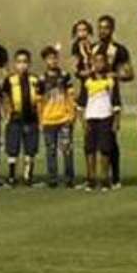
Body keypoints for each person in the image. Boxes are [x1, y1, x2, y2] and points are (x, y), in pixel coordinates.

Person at [96, 16, 134, 186]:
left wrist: (115, 75)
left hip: (111, 97)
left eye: (106, 28)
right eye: (100, 27)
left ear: (112, 29)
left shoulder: (119, 50)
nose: (102, 31)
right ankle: (97, 177)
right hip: (94, 96)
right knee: (94, 138)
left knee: (110, 137)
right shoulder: (92, 48)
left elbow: (129, 73)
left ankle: (115, 175)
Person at [79, 50, 118, 191]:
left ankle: (105, 179)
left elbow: (116, 102)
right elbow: (81, 104)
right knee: (90, 149)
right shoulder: (87, 82)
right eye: (95, 61)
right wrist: (83, 122)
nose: (98, 64)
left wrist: (116, 121)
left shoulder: (111, 81)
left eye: (101, 61)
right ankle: (90, 178)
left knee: (105, 149)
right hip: (91, 118)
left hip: (106, 117)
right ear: (92, 64)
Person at [2, 49, 42, 186]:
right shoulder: (10, 80)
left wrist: (40, 117)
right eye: (19, 62)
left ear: (29, 64)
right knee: (13, 148)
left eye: (25, 62)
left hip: (31, 118)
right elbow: (5, 97)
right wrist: (7, 113)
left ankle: (28, 176)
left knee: (30, 149)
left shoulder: (35, 80)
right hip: (15, 118)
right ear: (15, 64)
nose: (22, 65)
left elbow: (40, 99)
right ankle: (12, 175)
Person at [39, 45, 76, 189]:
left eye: (55, 58)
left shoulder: (65, 76)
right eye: (49, 58)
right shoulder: (42, 79)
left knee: (67, 149)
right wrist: (40, 119)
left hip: (64, 119)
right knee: (51, 150)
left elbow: (71, 96)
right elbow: (39, 101)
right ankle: (52, 179)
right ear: (45, 60)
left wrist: (71, 114)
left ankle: (69, 179)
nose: (53, 61)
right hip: (48, 119)